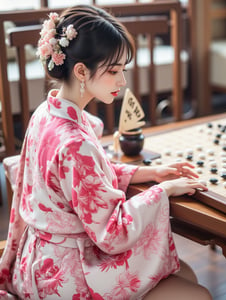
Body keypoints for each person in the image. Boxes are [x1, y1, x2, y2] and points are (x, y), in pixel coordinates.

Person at [0, 5, 212, 300]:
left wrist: (149, 172)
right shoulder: (75, 142)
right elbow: (112, 232)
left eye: (122, 70)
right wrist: (162, 190)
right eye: (114, 71)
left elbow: (86, 182)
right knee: (198, 294)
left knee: (184, 275)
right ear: (81, 71)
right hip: (67, 276)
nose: (123, 81)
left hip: (36, 259)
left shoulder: (46, 113)